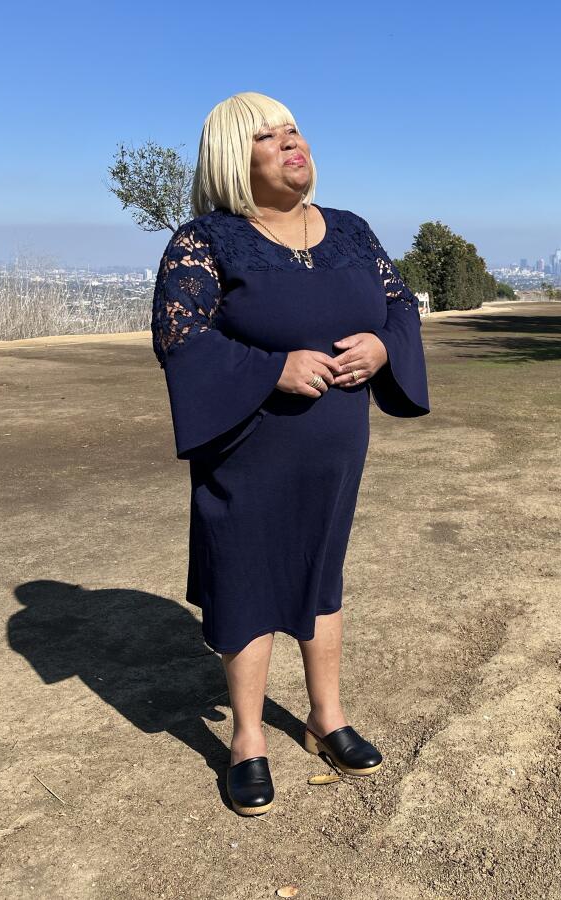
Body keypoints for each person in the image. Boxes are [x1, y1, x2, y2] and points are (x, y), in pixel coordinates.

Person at [149, 92, 430, 816]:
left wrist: (383, 346)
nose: (289, 144)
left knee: (321, 573)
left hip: (335, 447)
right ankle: (248, 740)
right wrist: (272, 369)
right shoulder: (204, 240)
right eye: (266, 137)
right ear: (232, 160)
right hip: (247, 444)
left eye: (293, 130)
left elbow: (399, 305)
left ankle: (325, 718)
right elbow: (182, 338)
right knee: (245, 580)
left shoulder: (352, 231)